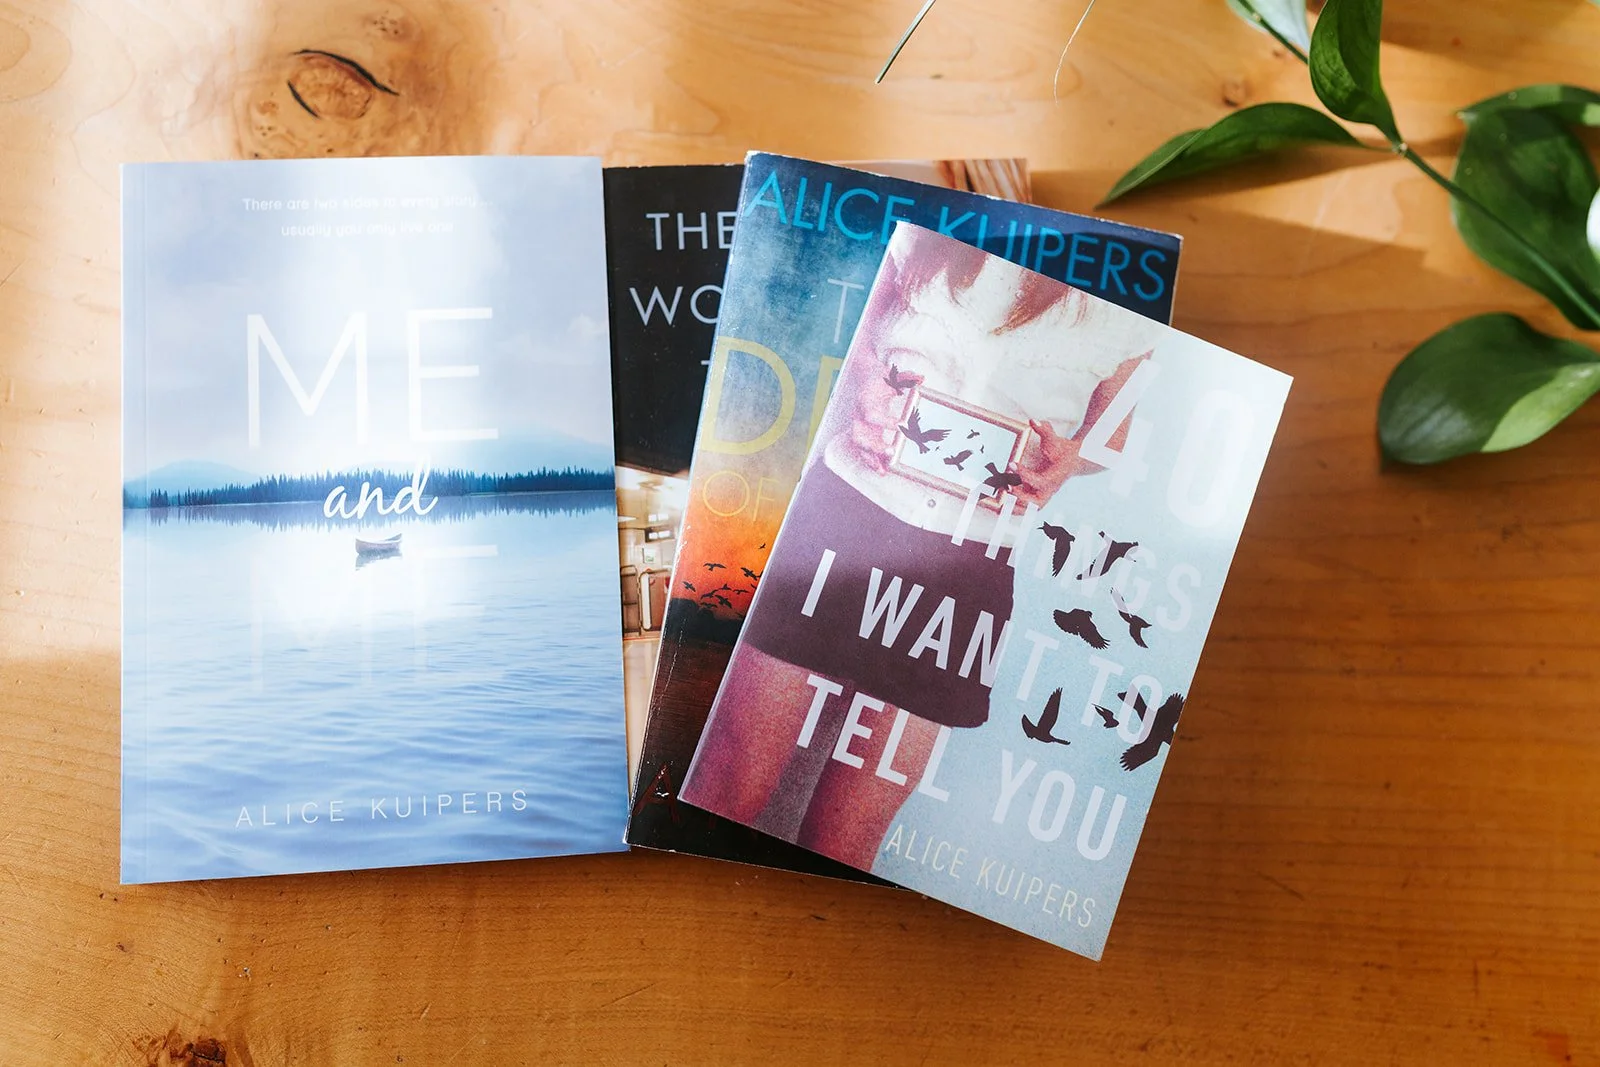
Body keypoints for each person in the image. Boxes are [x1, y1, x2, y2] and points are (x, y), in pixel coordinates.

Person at [682, 226, 1155, 869]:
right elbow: (848, 335)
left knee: (847, 840)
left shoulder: (1124, 292)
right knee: (726, 784)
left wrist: (1068, 462)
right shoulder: (927, 227)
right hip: (845, 509)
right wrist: (863, 386)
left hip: (970, 562)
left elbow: (1111, 436)